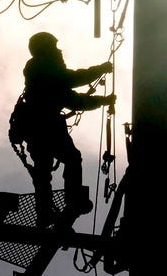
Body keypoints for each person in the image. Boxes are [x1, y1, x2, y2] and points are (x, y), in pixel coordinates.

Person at [18, 31, 114, 223]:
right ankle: (70, 201)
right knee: (69, 159)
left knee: (44, 170)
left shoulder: (42, 73)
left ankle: (45, 213)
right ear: (46, 49)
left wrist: (103, 100)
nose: (59, 50)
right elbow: (72, 82)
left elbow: (72, 99)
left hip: (37, 127)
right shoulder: (43, 67)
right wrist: (100, 70)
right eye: (54, 47)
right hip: (45, 125)